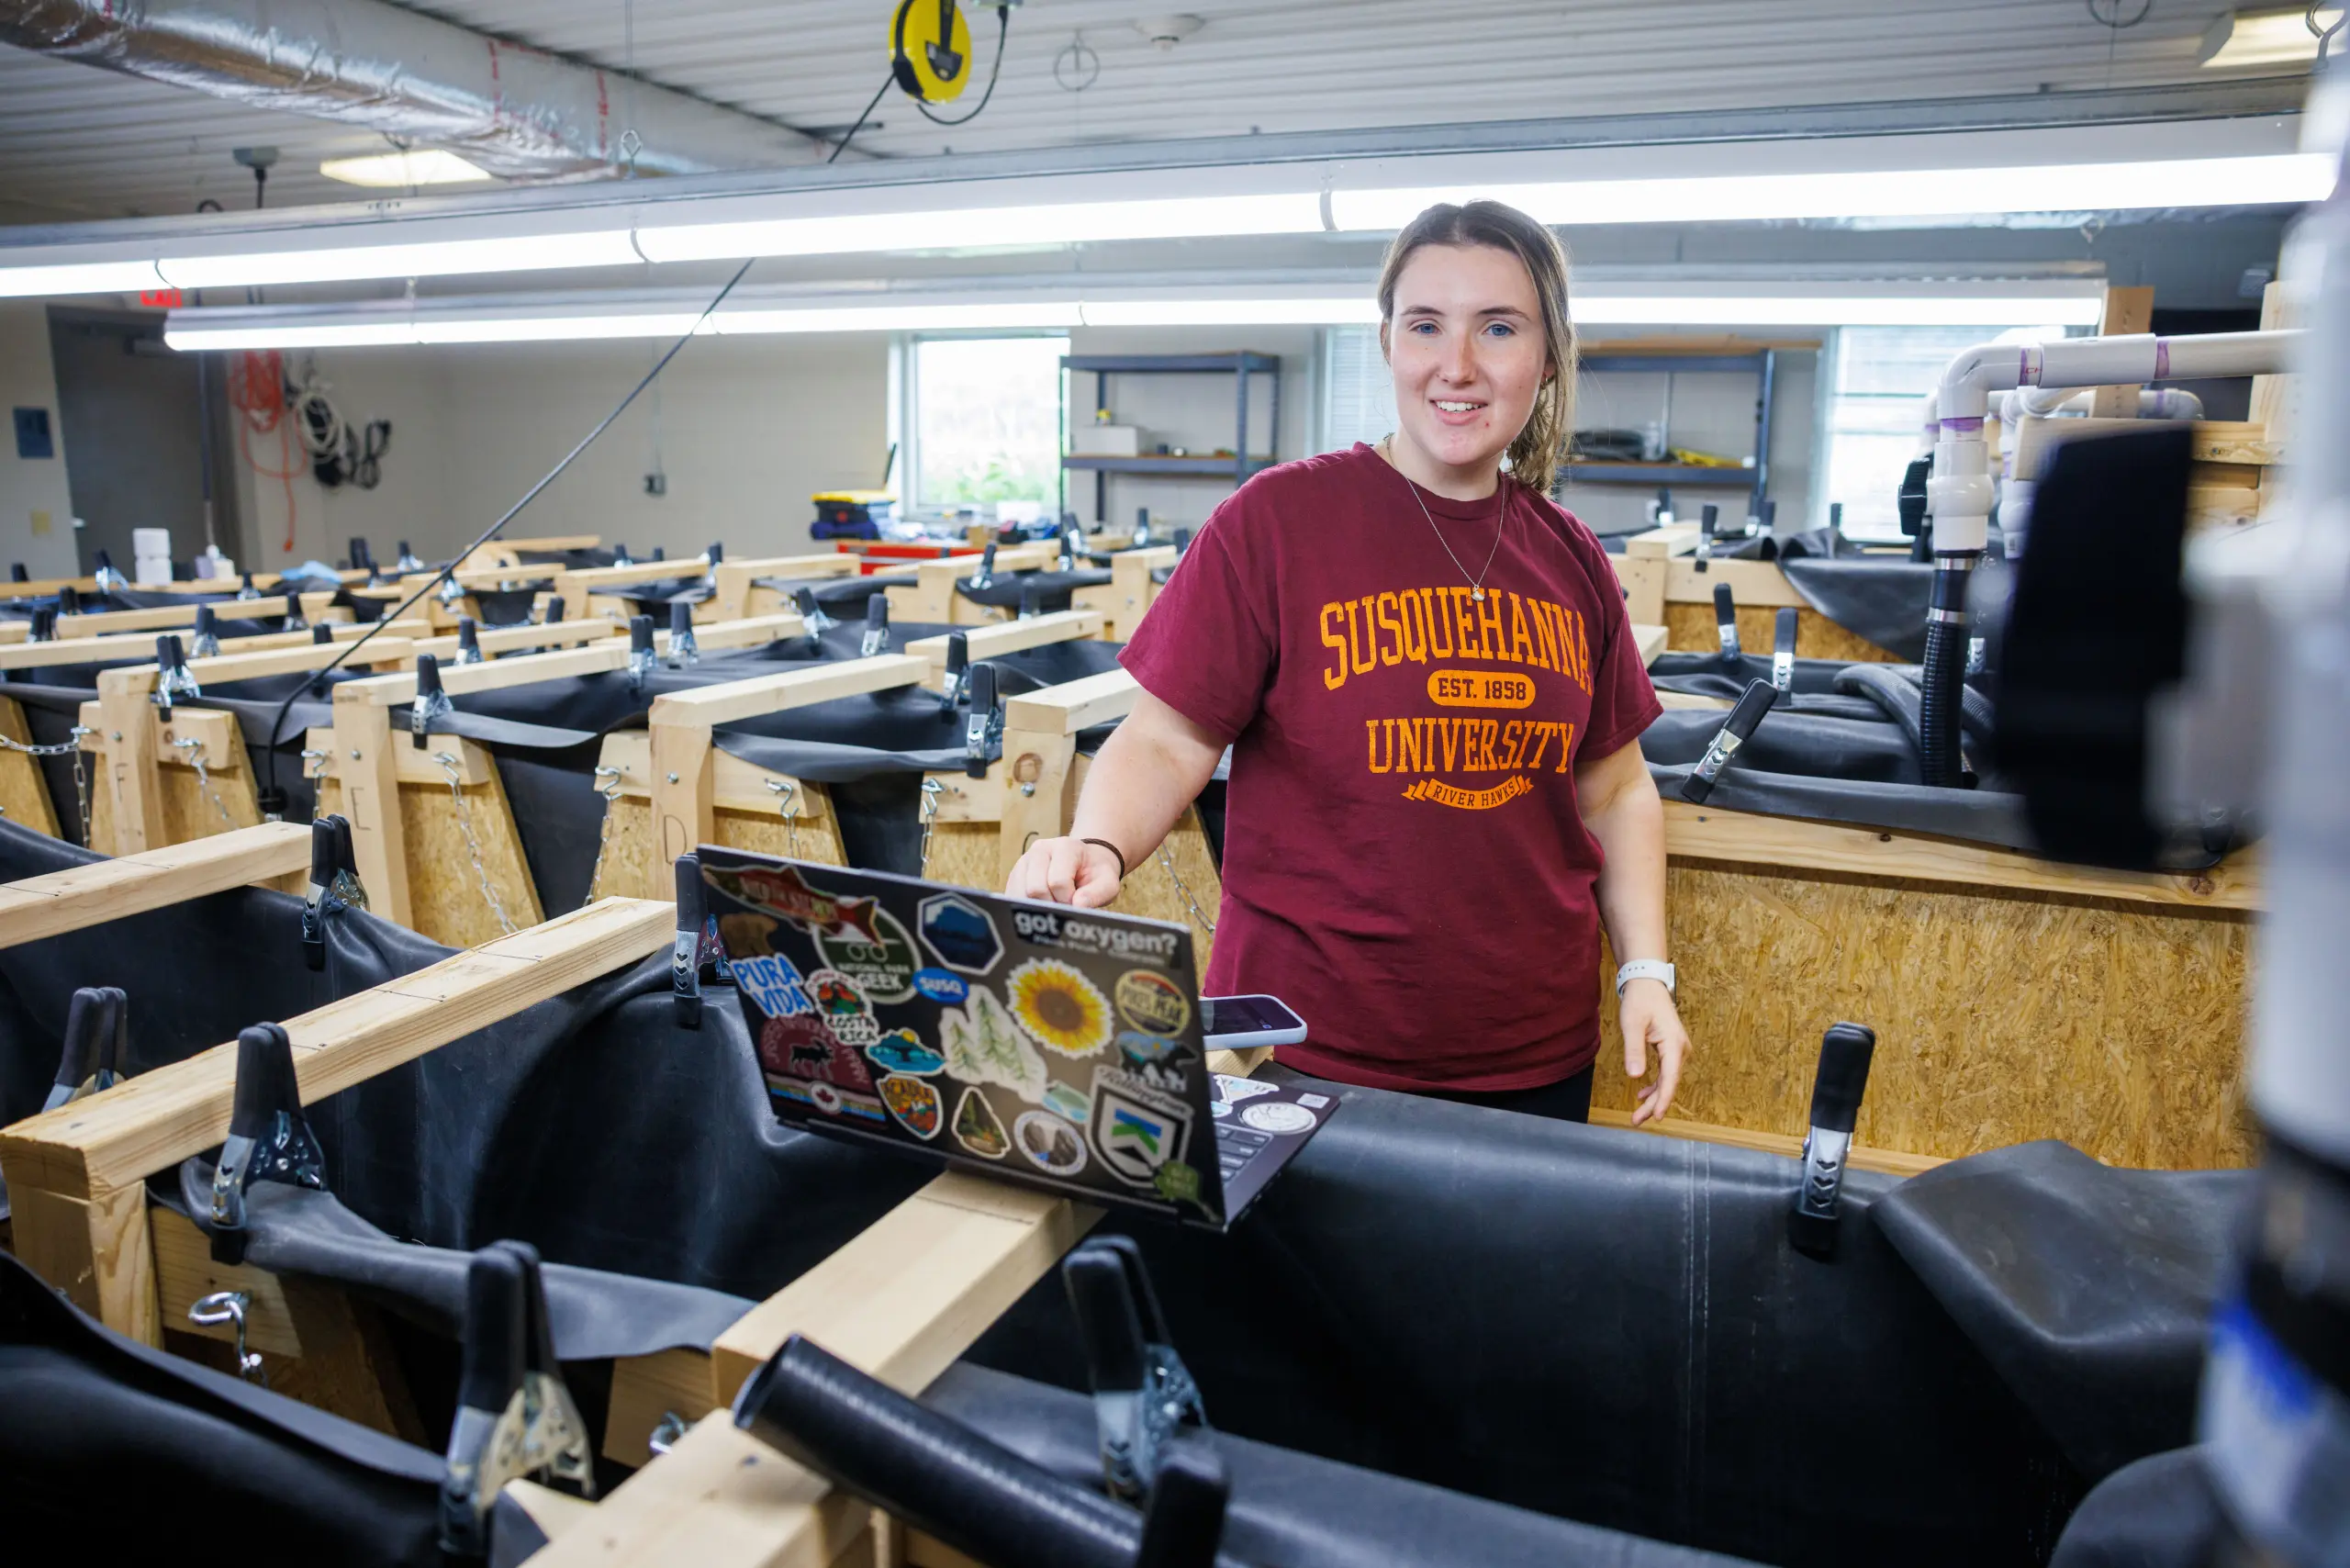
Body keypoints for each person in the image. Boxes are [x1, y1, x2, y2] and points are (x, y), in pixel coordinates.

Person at [1006, 199, 1688, 1126]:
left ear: (1547, 352)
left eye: (1497, 327)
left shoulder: (1569, 558)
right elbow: (1167, 739)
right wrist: (1096, 843)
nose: (1457, 366)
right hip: (1299, 1048)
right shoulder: (1276, 523)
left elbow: (1613, 788)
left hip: (1531, 1054)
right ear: (1387, 342)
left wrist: (1644, 971)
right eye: (1425, 326)